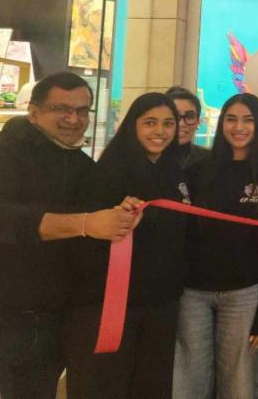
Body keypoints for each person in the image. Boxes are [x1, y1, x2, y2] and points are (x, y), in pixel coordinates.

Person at [0, 72, 137, 399]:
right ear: (34, 112)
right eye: (61, 108)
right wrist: (86, 223)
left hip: (44, 323)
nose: (73, 118)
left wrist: (126, 211)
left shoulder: (81, 166)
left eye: (82, 110)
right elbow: (1, 221)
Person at [64, 92, 192, 398]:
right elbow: (85, 241)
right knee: (107, 387)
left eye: (168, 123)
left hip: (159, 305)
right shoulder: (108, 172)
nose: (160, 131)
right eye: (150, 122)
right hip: (112, 307)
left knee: (150, 387)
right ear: (132, 125)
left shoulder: (174, 171)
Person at [174, 93, 258, 399]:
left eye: (248, 120)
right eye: (231, 119)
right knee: (189, 383)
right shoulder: (198, 170)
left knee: (239, 386)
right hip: (193, 293)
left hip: (246, 294)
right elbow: (183, 234)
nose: (238, 127)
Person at [167, 86, 210, 170]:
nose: (182, 124)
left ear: (198, 122)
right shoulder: (148, 159)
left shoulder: (210, 159)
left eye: (190, 117)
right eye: (175, 116)